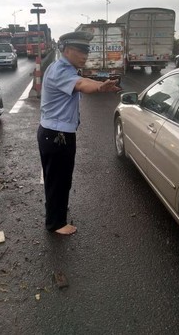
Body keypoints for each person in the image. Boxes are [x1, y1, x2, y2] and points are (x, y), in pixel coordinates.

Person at [37, 31, 121, 235]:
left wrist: (99, 85)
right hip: (58, 136)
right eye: (80, 50)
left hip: (52, 133)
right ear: (66, 50)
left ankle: (55, 211)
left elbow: (81, 81)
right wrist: (101, 87)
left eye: (87, 50)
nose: (85, 55)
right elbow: (82, 84)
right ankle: (56, 224)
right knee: (59, 179)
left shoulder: (60, 67)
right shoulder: (62, 71)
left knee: (55, 179)